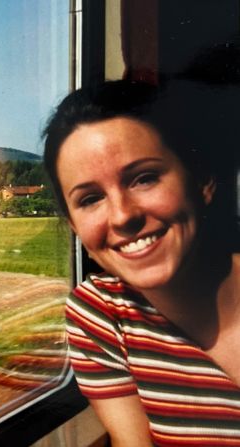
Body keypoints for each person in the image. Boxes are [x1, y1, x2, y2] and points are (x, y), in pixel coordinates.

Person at [43, 80, 240, 446]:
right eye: (89, 199)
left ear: (202, 180)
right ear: (74, 226)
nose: (121, 217)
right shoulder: (100, 314)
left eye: (145, 178)